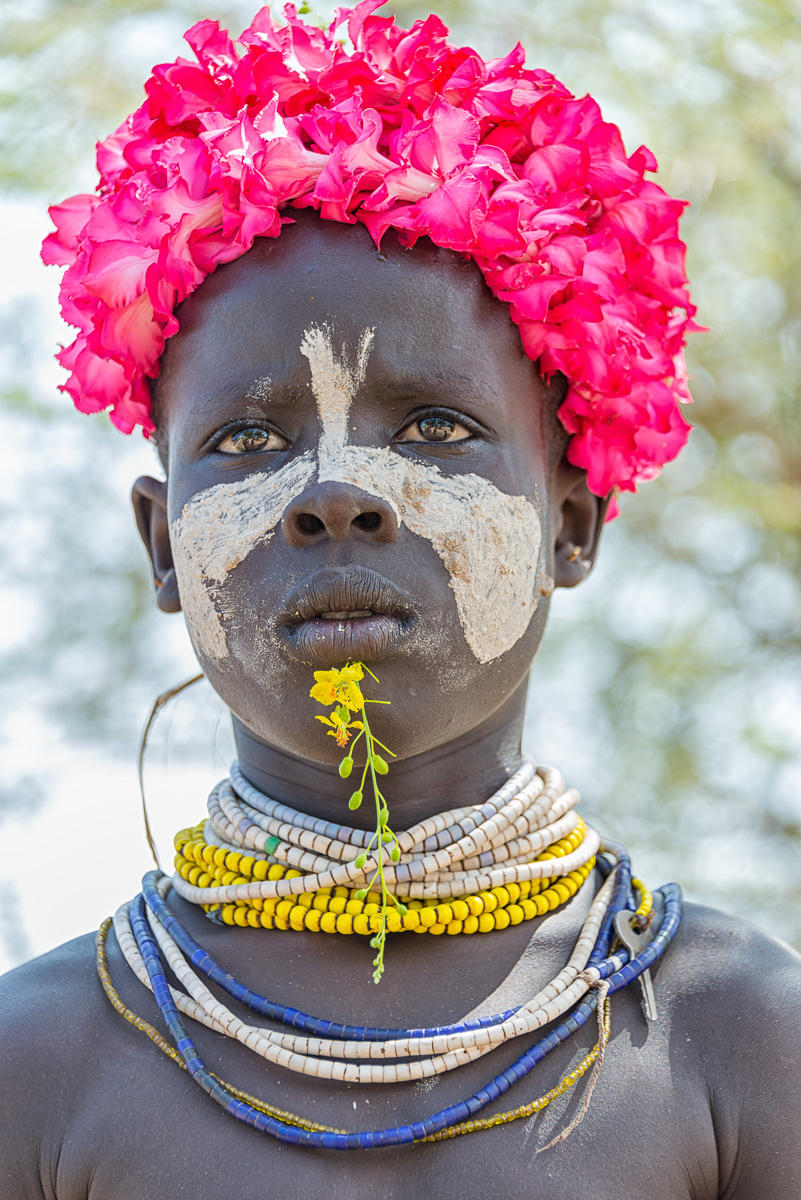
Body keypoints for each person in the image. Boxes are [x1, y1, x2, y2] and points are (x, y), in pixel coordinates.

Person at [1, 4, 800, 1197]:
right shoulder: (44, 1063)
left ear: (571, 525)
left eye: (435, 428)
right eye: (248, 436)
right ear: (163, 548)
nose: (333, 495)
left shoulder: (730, 1040)